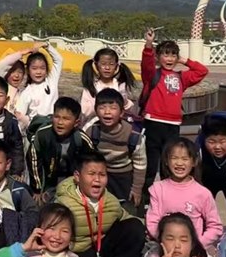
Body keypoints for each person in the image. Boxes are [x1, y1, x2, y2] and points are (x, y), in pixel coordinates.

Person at [55, 152, 146, 257]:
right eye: (91, 174)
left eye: (102, 175)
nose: (97, 179)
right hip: (77, 254)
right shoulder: (64, 203)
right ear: (77, 177)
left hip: (101, 250)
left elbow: (126, 218)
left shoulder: (111, 201)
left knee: (135, 227)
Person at [139, 31, 209, 200]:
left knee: (168, 163)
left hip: (173, 125)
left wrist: (184, 60)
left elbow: (202, 71)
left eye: (173, 55)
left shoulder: (181, 77)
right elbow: (146, 64)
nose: (169, 59)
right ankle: (146, 200)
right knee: (151, 164)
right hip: (153, 123)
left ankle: (167, 198)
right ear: (158, 57)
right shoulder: (152, 75)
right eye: (165, 54)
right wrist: (149, 44)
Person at [146, 138, 223, 250]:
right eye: (174, 158)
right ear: (166, 161)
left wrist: (197, 245)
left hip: (193, 249)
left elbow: (215, 227)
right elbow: (152, 222)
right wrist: (166, 241)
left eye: (185, 159)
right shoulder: (157, 189)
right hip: (163, 248)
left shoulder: (203, 193)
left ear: (194, 162)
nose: (179, 163)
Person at [83, 88, 145, 208]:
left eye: (113, 108)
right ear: (96, 111)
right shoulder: (91, 130)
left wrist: (137, 189)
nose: (107, 112)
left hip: (124, 175)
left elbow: (140, 165)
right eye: (102, 108)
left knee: (124, 207)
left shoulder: (133, 135)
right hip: (100, 174)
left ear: (121, 113)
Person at [26, 97, 88, 203]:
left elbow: (91, 161)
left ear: (76, 122)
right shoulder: (42, 135)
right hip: (47, 179)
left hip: (72, 179)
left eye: (66, 119)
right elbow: (33, 161)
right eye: (57, 117)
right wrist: (37, 189)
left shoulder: (81, 139)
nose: (60, 122)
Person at [79, 48, 137, 123]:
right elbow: (85, 111)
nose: (107, 68)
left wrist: (125, 101)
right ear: (96, 65)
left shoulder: (120, 86)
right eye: (103, 64)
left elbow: (130, 110)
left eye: (111, 64)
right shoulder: (91, 87)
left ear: (116, 66)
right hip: (95, 125)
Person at [12, 43, 64, 123]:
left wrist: (46, 45)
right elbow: (19, 116)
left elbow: (59, 60)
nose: (38, 72)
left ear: (46, 69)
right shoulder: (27, 92)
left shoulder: (51, 81)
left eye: (42, 68)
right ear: (28, 70)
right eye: (34, 68)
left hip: (54, 125)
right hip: (37, 129)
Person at [0, 43, 39, 112]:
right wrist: (20, 53)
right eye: (12, 71)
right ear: (6, 72)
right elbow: (3, 64)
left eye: (20, 72)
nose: (16, 75)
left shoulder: (23, 94)